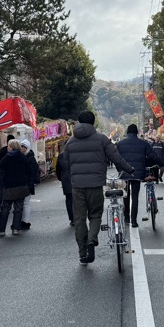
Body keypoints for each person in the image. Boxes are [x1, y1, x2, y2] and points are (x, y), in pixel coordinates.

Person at [63, 110, 134, 264]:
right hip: (95, 184)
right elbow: (116, 158)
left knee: (79, 218)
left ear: (79, 122)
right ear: (93, 122)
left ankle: (83, 253)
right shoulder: (101, 139)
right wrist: (130, 169)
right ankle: (92, 239)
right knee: (95, 214)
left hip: (77, 186)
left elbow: (66, 162)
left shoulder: (70, 141)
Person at [116, 124, 162, 228]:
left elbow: (116, 158)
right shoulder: (143, 143)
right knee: (135, 196)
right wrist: (161, 164)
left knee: (126, 196)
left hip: (124, 173)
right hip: (137, 173)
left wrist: (120, 170)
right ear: (136, 132)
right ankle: (134, 221)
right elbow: (153, 155)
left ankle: (126, 217)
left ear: (127, 132)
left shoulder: (120, 144)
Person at [0, 139, 32, 236]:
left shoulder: (8, 157)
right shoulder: (23, 157)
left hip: (9, 187)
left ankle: (1, 230)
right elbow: (29, 172)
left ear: (12, 147)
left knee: (5, 208)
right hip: (22, 186)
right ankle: (15, 229)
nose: (7, 148)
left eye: (8, 146)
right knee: (18, 209)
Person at [18, 138, 41, 231]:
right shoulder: (26, 156)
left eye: (24, 147)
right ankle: (23, 221)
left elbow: (33, 172)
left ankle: (25, 221)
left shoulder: (30, 158)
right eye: (21, 146)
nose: (22, 148)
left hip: (27, 184)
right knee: (22, 204)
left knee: (26, 203)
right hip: (23, 184)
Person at [0, 133, 17, 208]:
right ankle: (11, 200)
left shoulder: (3, 150)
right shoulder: (18, 152)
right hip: (12, 172)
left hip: (3, 171)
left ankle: (0, 202)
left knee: (1, 186)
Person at [54, 141, 74, 226]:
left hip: (66, 180)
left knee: (69, 200)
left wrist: (60, 178)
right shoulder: (76, 153)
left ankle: (72, 219)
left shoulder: (61, 155)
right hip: (77, 179)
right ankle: (78, 217)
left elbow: (58, 169)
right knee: (78, 200)